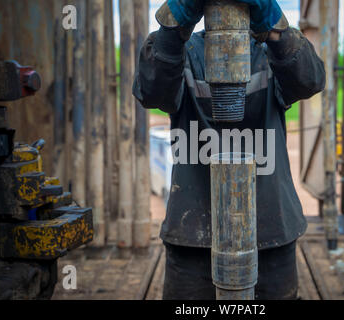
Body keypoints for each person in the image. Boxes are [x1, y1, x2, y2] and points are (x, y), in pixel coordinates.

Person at [133, 0, 325, 300]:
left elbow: (310, 79)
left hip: (269, 229)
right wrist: (173, 24)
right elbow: (150, 90)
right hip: (194, 232)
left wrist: (273, 24)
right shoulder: (186, 54)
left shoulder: (267, 53)